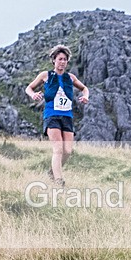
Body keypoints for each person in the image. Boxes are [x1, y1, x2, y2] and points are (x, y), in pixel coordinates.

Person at [25, 45, 89, 186]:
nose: (62, 62)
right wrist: (33, 94)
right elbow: (28, 88)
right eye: (60, 59)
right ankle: (59, 182)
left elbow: (84, 88)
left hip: (67, 117)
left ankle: (52, 172)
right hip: (52, 115)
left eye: (65, 59)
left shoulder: (70, 78)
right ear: (54, 60)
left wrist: (85, 96)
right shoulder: (45, 75)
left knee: (67, 150)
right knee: (58, 149)